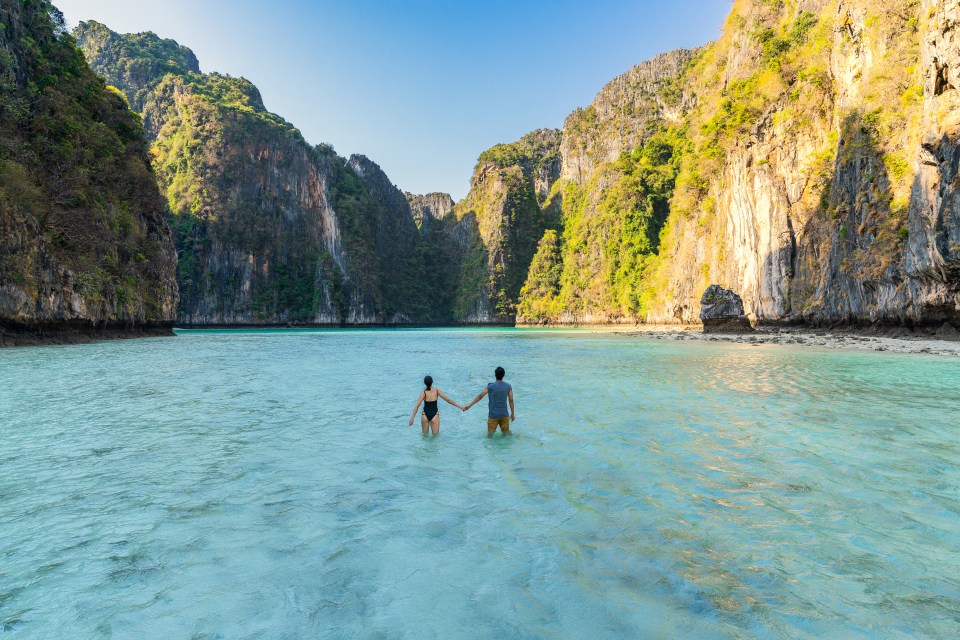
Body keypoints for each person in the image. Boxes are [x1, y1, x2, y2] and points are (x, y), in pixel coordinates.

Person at [463, 366, 514, 437]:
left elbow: (480, 396)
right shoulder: (508, 386)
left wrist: (469, 406)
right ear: (503, 375)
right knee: (506, 435)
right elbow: (511, 400)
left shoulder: (490, 386)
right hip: (504, 415)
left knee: (490, 436)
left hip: (493, 415)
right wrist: (512, 414)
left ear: (495, 375)